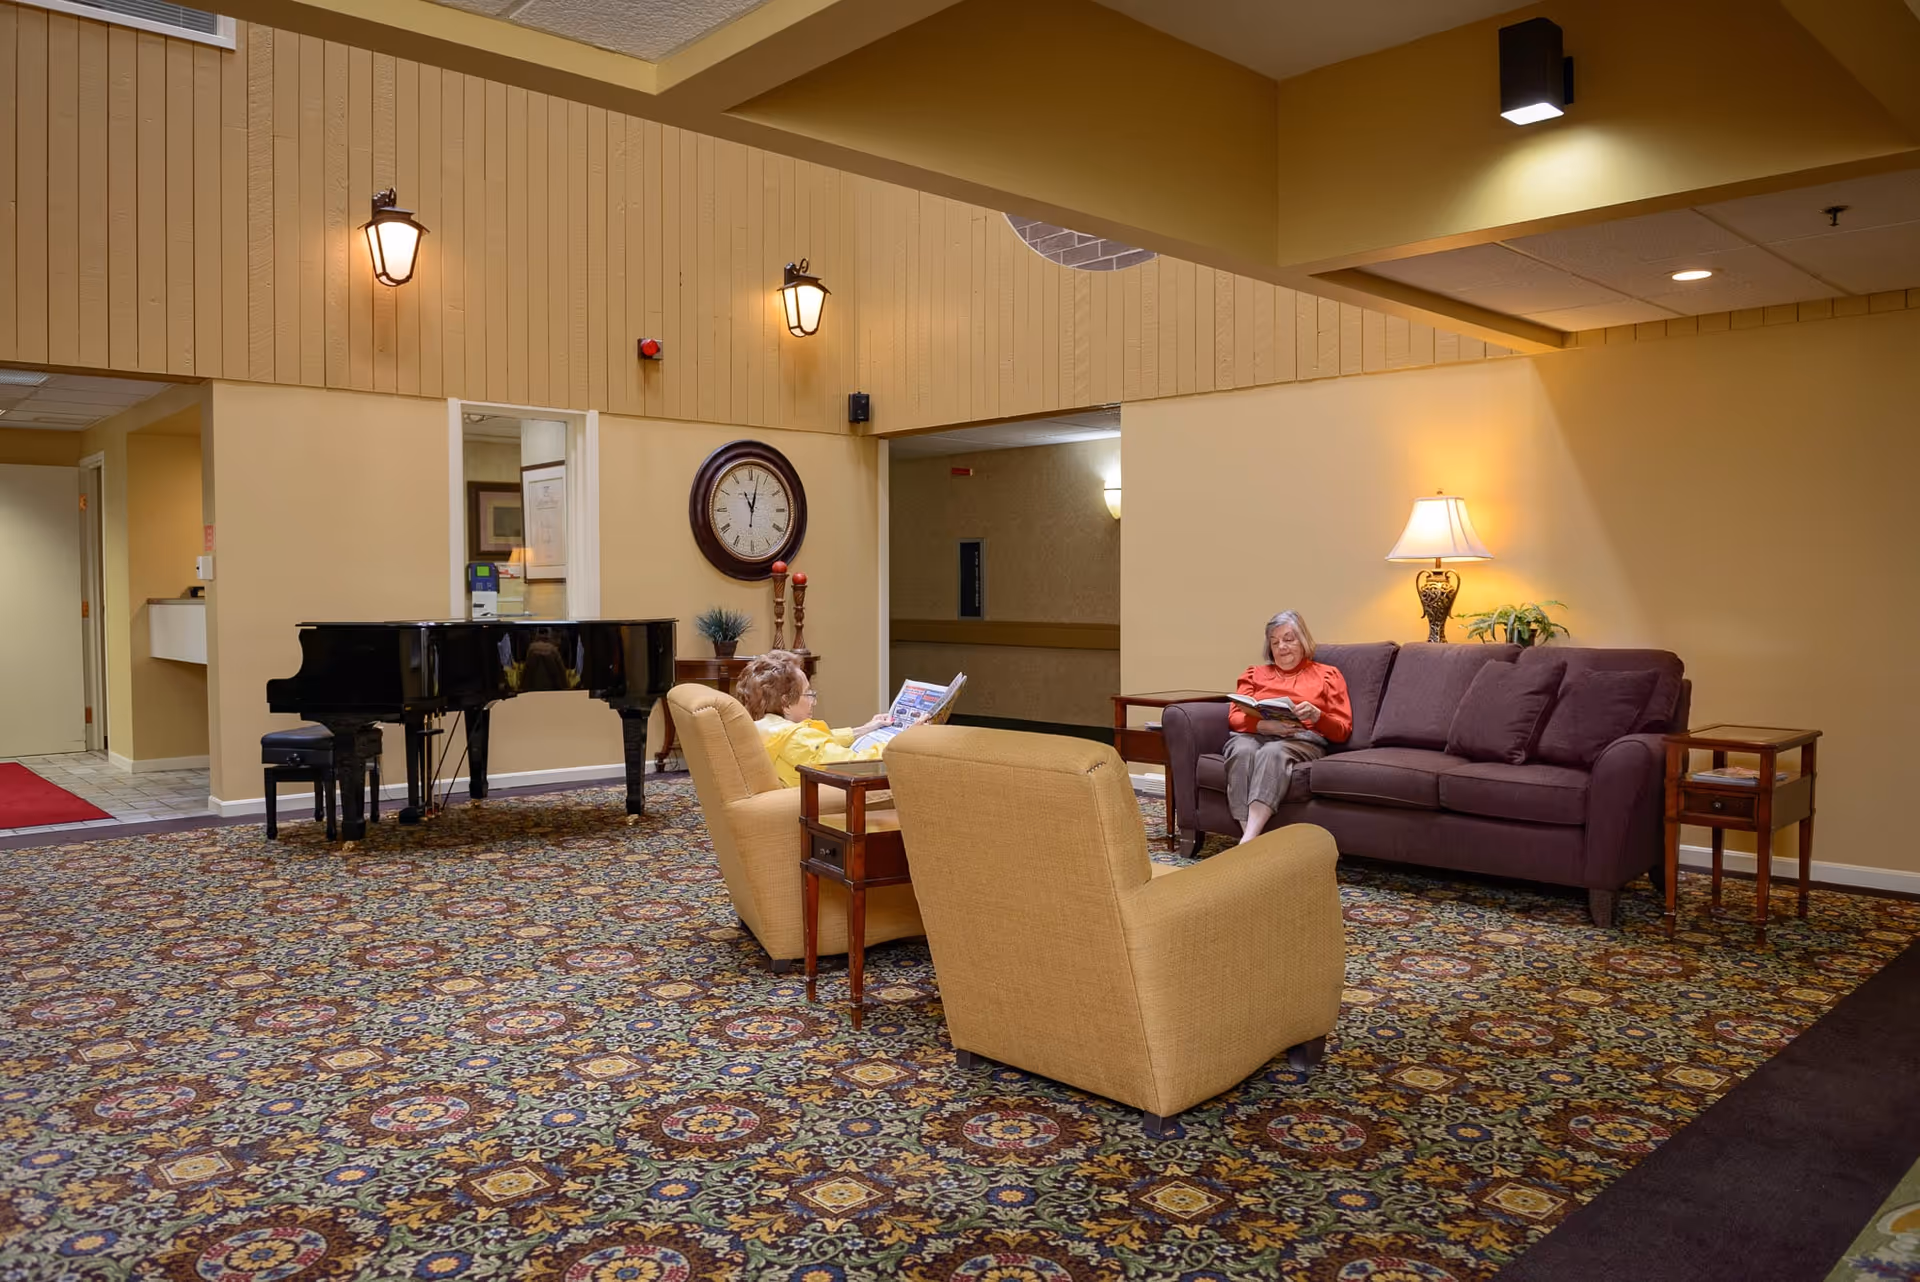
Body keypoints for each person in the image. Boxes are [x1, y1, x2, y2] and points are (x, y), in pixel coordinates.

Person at [1223, 611, 1352, 845]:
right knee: (1241, 749)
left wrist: (1318, 716)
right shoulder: (1254, 674)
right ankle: (1250, 839)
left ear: (1303, 640)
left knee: (1272, 752)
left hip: (1301, 740)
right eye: (1275, 642)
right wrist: (1263, 725)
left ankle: (1247, 841)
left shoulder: (1327, 675)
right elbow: (1235, 717)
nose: (1281, 647)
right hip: (1256, 734)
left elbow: (1342, 730)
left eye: (1288, 639)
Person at [735, 650, 915, 787]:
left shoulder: (763, 728)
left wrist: (865, 729)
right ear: (786, 703)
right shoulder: (798, 739)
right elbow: (857, 764)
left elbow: (816, 745)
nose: (814, 701)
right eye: (808, 694)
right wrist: (905, 740)